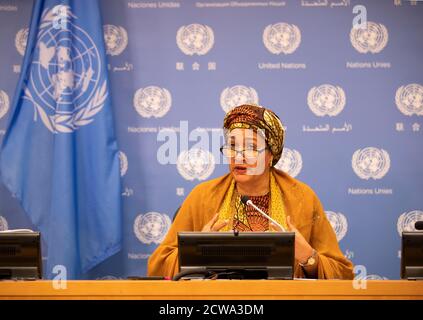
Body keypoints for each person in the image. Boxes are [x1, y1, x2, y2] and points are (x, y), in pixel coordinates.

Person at [148, 104, 354, 279]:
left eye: (251, 148)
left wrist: (308, 257)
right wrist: (198, 254)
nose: (239, 157)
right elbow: (158, 265)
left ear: (271, 155)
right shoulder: (203, 196)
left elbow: (343, 275)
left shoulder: (302, 198)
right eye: (232, 146)